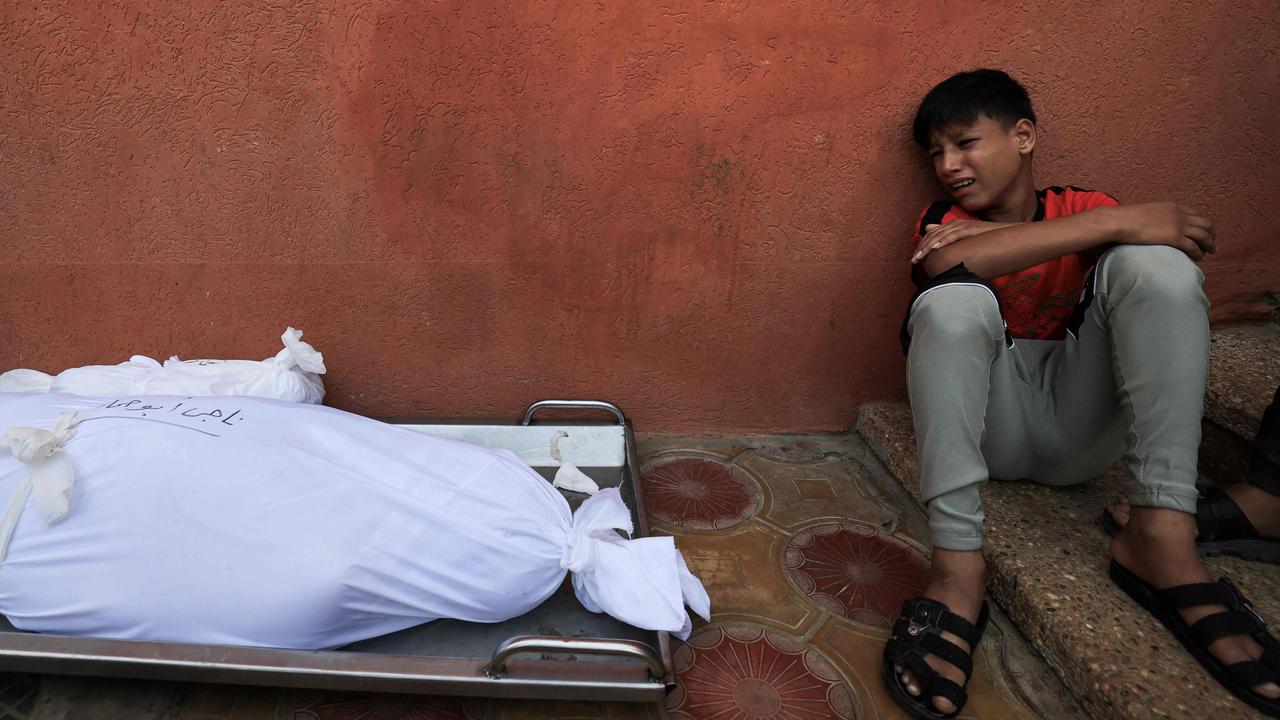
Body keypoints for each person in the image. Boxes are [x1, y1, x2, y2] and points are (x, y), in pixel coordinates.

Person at [880, 68, 1280, 719]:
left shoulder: (1082, 206)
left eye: (965, 142)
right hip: (993, 428)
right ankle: (957, 567)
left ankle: (1165, 533)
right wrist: (1121, 221)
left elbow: (1168, 262)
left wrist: (1111, 229)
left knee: (1155, 265)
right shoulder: (945, 221)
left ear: (1025, 135)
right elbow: (942, 265)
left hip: (1081, 430)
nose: (949, 165)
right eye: (936, 153)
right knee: (951, 301)